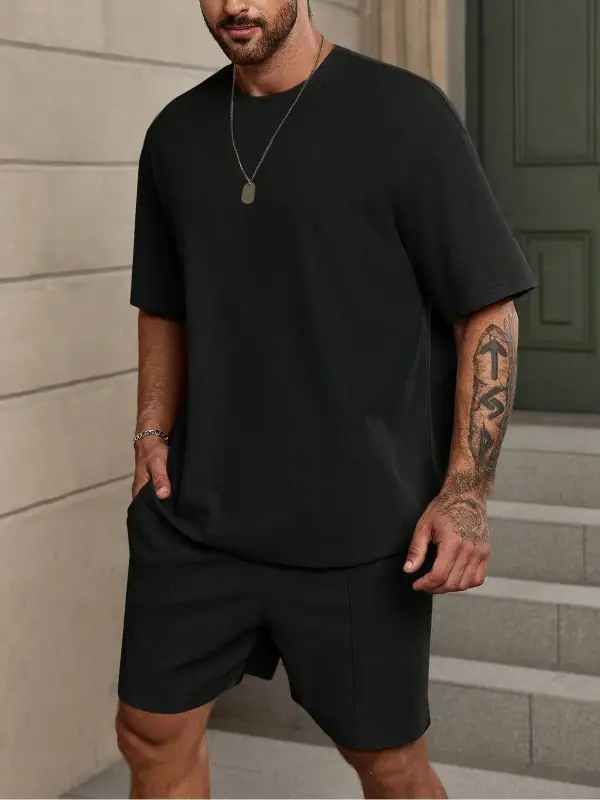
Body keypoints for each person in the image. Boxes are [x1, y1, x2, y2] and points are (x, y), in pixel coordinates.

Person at [116, 0, 536, 797]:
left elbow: (488, 311)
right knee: (149, 733)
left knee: (389, 765)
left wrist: (466, 492)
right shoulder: (174, 136)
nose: (235, 5)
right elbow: (163, 305)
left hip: (360, 524)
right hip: (199, 514)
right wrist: (150, 433)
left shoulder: (405, 116)